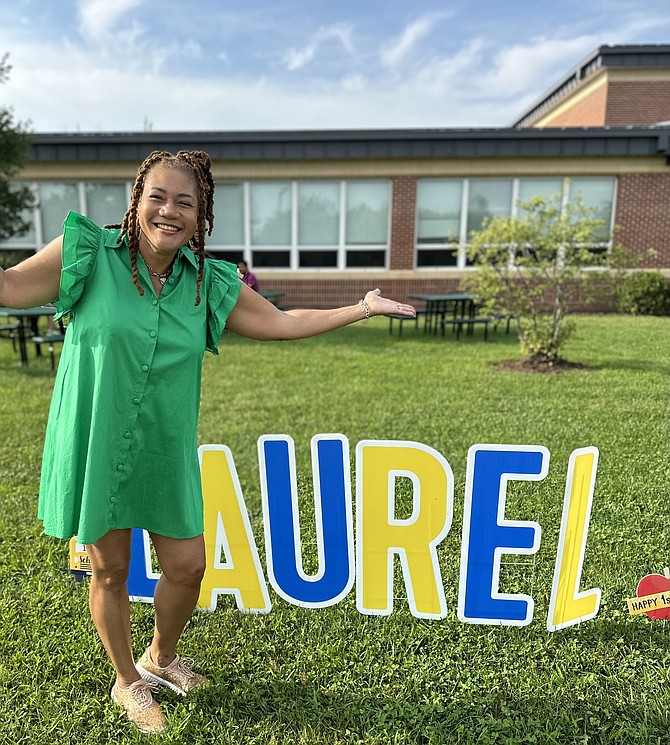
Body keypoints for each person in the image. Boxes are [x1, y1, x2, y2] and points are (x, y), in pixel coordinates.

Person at [0, 150, 415, 734]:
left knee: (188, 566)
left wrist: (362, 307)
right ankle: (128, 681)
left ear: (201, 216)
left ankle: (160, 657)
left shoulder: (208, 286)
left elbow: (281, 322)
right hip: (97, 440)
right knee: (111, 570)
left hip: (163, 448)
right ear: (137, 200)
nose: (169, 211)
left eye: (185, 203)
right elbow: (10, 287)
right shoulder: (87, 256)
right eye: (158, 197)